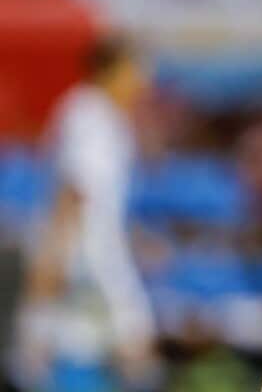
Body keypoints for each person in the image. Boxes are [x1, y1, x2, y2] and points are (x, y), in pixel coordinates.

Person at [15, 38, 159, 392]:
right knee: (131, 346)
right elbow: (73, 194)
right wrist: (53, 258)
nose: (143, 82)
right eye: (136, 71)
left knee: (81, 348)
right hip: (82, 258)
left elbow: (103, 205)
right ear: (113, 70)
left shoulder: (108, 119)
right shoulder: (87, 115)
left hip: (93, 254)